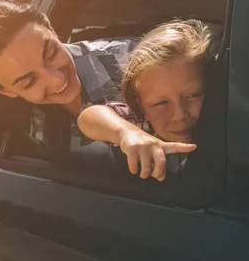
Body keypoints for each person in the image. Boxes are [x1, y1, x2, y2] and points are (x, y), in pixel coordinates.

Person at [0, 0, 195, 168]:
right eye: (29, 80)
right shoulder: (10, 116)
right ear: (6, 91)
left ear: (53, 30)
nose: (57, 79)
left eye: (51, 52)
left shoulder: (133, 61)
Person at [77, 19, 218, 182]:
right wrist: (127, 133)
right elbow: (88, 118)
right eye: (161, 103)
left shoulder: (227, 121)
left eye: (193, 95)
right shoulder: (142, 125)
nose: (179, 115)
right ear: (140, 106)